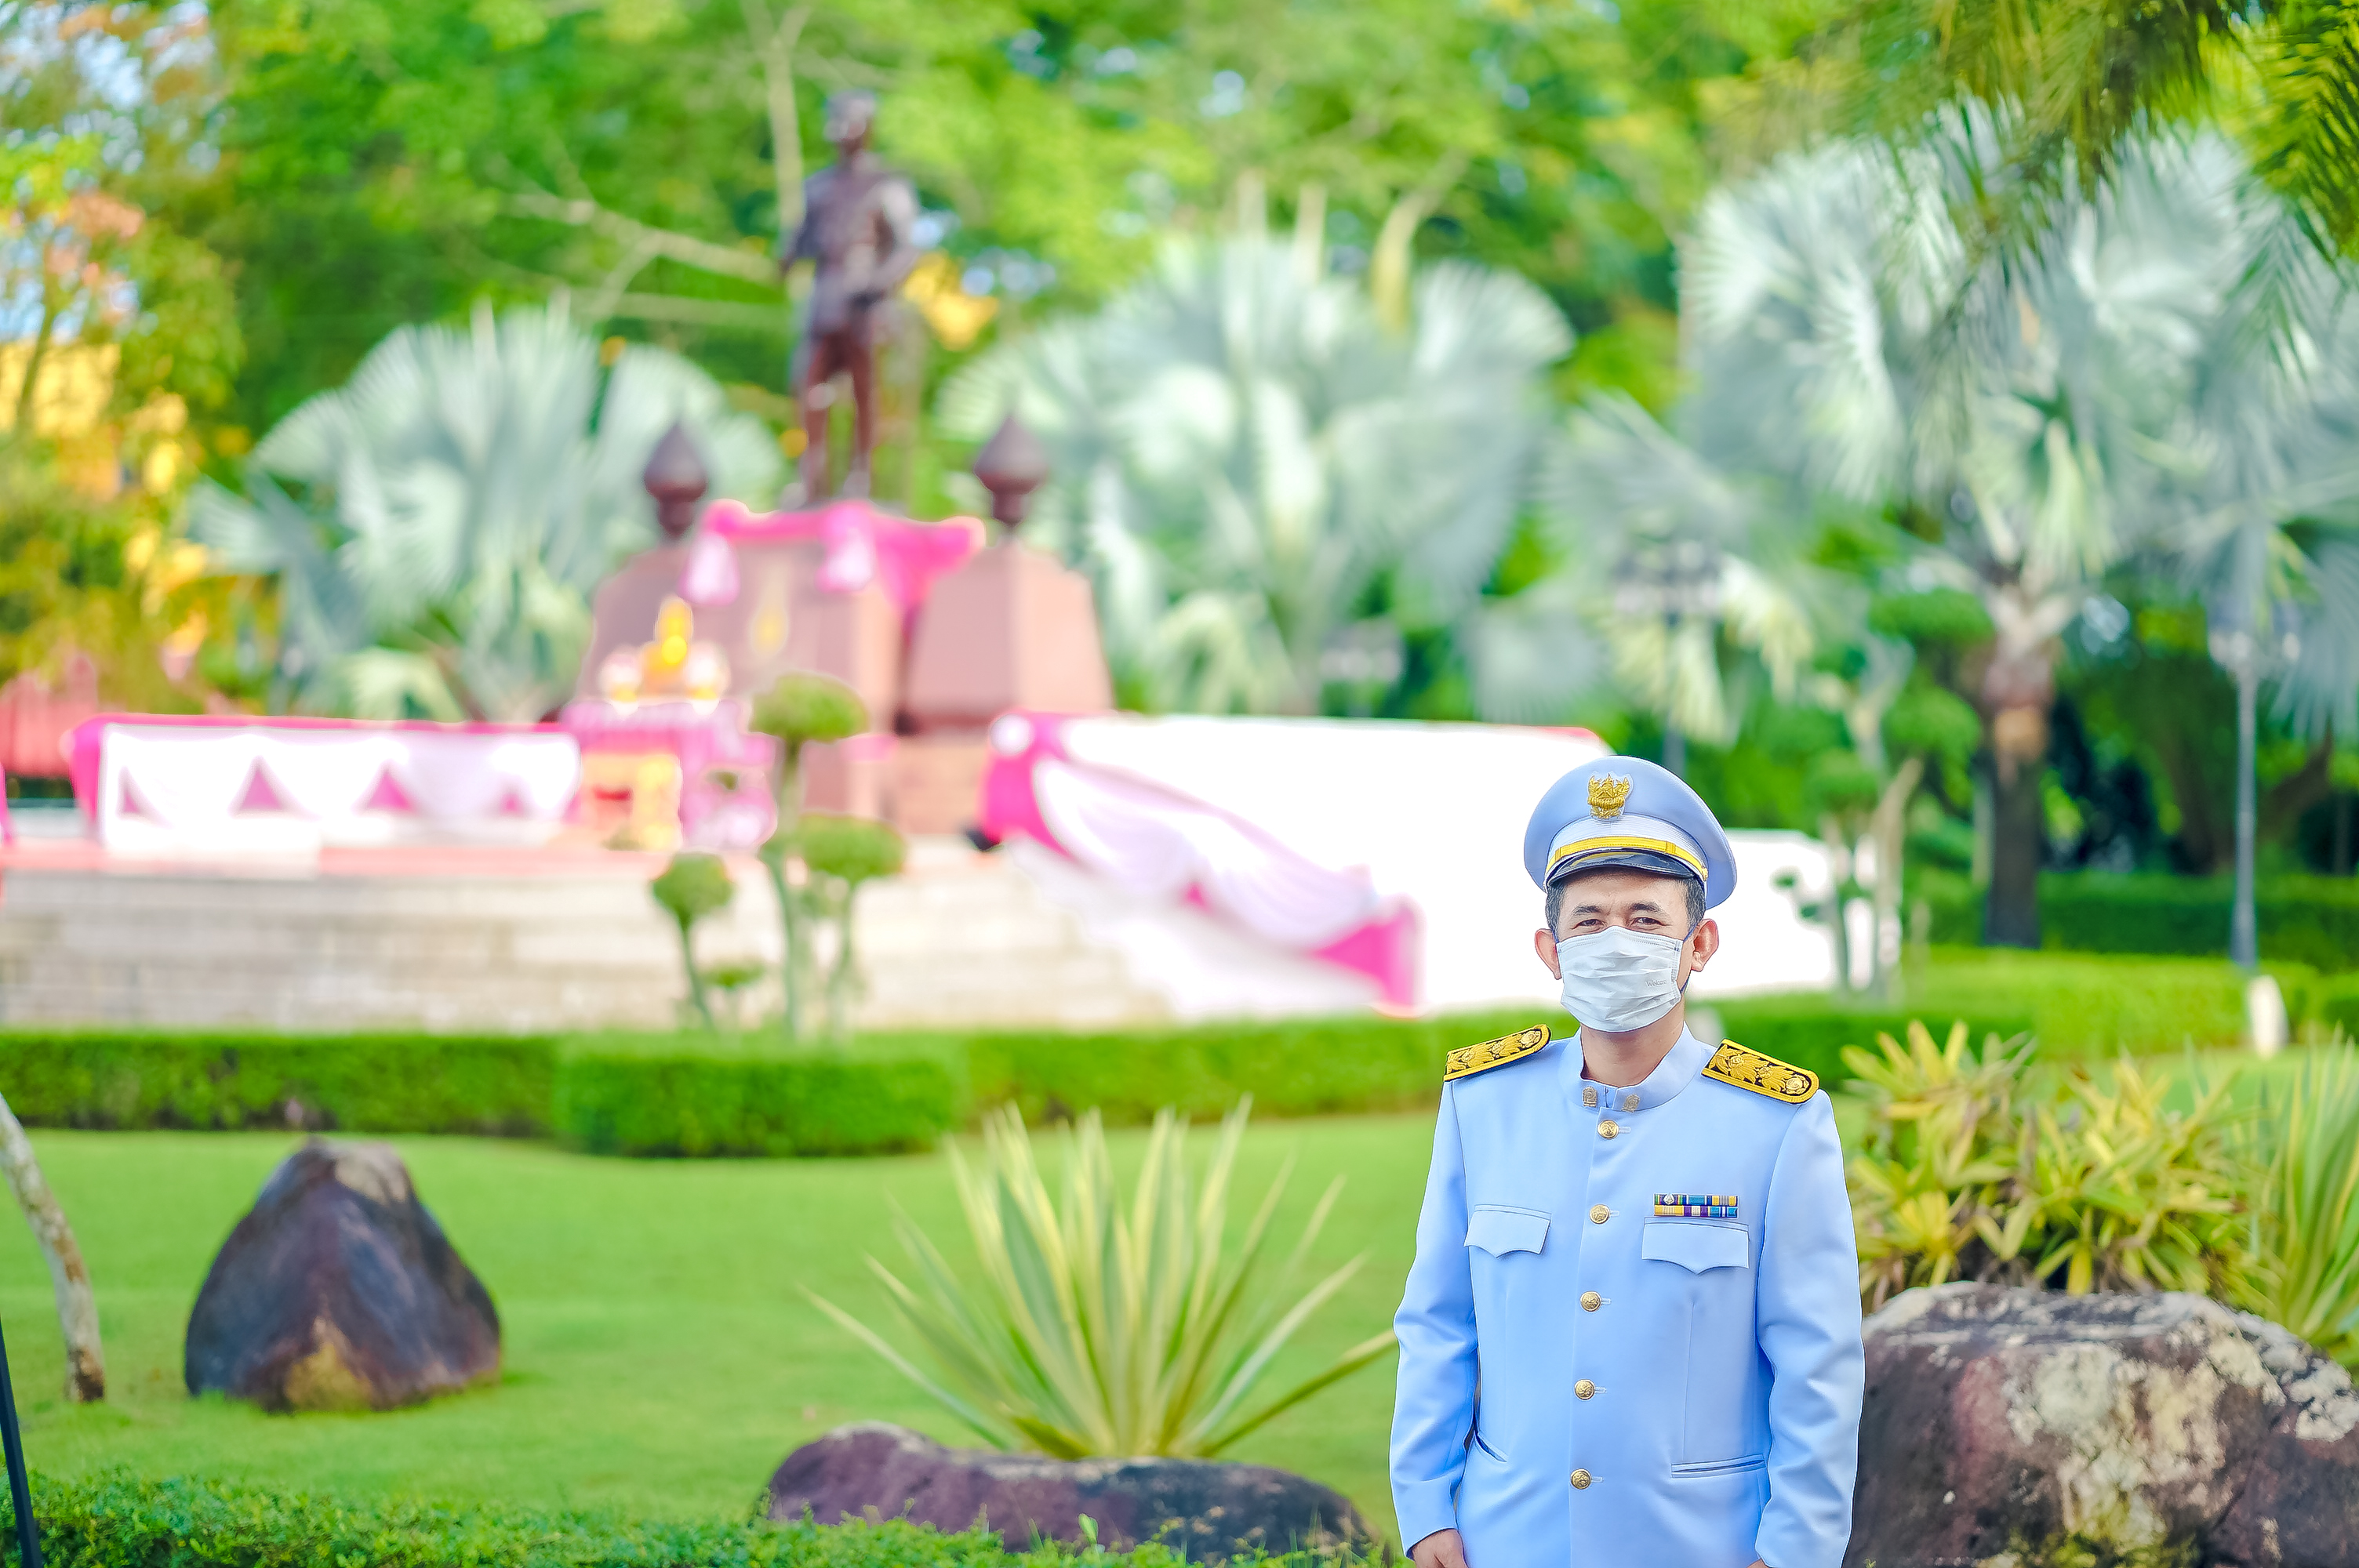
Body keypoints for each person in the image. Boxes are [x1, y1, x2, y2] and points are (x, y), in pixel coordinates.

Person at [1390, 757, 1863, 1568]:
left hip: (1701, 1545)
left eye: (1646, 918)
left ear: (1698, 943)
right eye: (1589, 920)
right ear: (1549, 948)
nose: (1616, 941)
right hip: (1508, 1539)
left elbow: (1816, 1363)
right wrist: (1426, 1507)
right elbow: (1437, 1323)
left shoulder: (1775, 1123)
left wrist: (1793, 1550)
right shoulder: (1484, 1103)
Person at [780, 90, 918, 501]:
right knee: (810, 385)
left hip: (864, 303)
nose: (840, 132)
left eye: (850, 122)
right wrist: (788, 252)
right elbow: (801, 241)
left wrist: (878, 283)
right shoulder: (818, 186)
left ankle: (862, 476)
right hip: (824, 295)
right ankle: (811, 476)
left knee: (865, 392)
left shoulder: (887, 184)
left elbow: (906, 249)